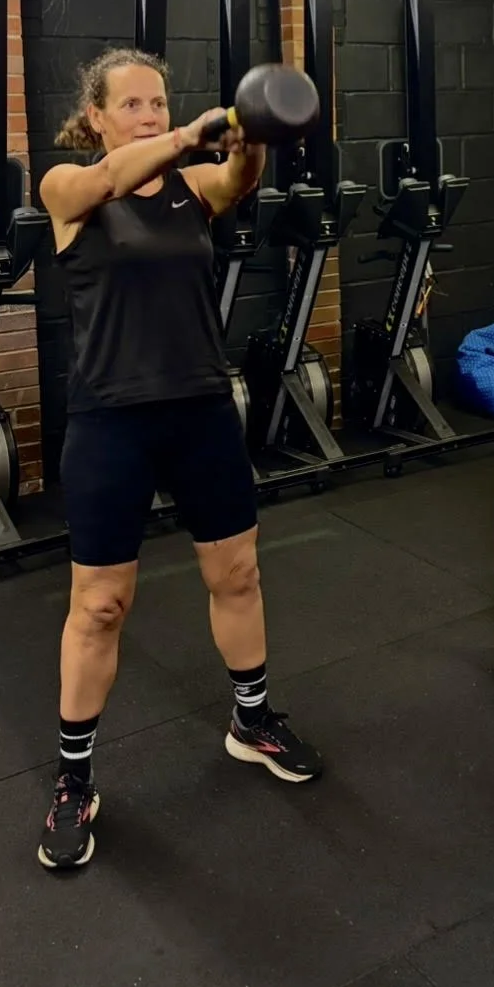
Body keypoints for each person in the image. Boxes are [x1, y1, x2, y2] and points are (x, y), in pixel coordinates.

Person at [35, 48, 322, 869]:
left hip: (199, 407)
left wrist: (253, 132)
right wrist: (190, 135)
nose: (151, 116)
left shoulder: (192, 189)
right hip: (110, 420)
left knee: (237, 575)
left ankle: (252, 720)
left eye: (159, 103)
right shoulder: (67, 189)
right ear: (96, 117)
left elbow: (238, 182)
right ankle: (73, 778)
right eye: (132, 105)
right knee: (99, 607)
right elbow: (103, 182)